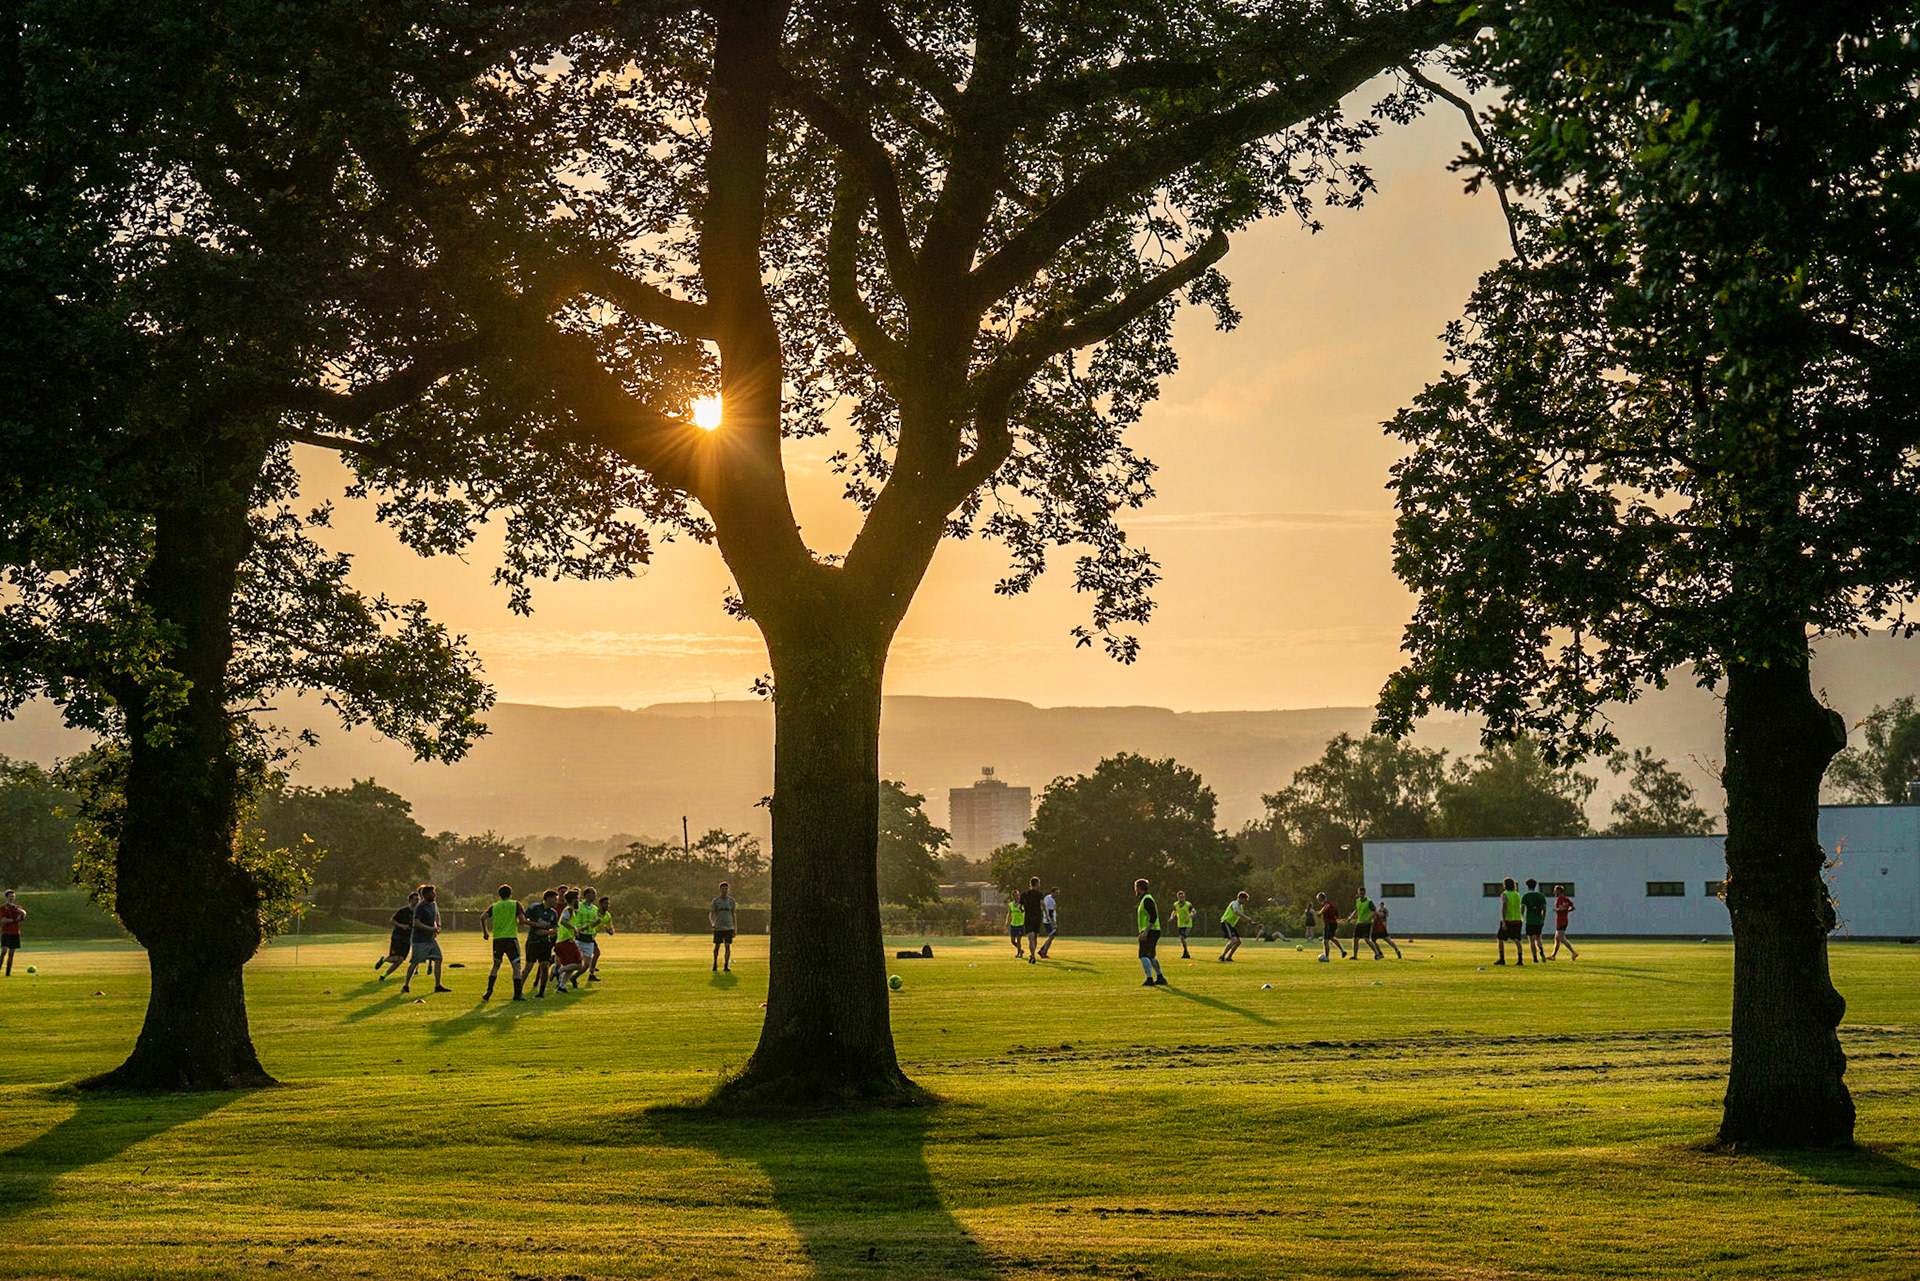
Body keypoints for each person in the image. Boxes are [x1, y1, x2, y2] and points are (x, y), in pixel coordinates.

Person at [481, 884, 526, 1002]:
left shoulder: (495, 906)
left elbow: (483, 917)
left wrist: (485, 932)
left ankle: (489, 990)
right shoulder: (515, 904)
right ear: (511, 894)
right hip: (511, 938)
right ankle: (517, 994)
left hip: (498, 939)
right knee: (516, 967)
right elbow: (522, 921)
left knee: (496, 965)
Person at [403, 884, 451, 994]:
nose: (434, 895)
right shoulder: (420, 907)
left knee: (438, 959)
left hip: (430, 939)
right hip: (419, 940)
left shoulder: (433, 904)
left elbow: (437, 915)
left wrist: (438, 926)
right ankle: (406, 985)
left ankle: (437, 985)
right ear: (426, 895)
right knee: (415, 962)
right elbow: (416, 923)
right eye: (432, 893)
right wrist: (430, 929)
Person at [524, 889, 561, 997]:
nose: (556, 901)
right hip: (533, 941)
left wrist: (547, 932)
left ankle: (541, 992)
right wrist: (536, 924)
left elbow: (556, 928)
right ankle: (518, 991)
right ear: (548, 898)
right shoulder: (535, 907)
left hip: (545, 943)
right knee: (528, 967)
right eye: (555, 899)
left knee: (544, 967)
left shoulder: (553, 913)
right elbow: (523, 920)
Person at [376, 892, 418, 980]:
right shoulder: (403, 911)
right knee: (395, 958)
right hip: (398, 937)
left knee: (400, 960)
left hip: (408, 939)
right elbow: (392, 921)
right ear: (410, 900)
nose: (418, 901)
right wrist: (402, 926)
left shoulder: (419, 913)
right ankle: (383, 959)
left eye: (418, 899)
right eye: (416, 899)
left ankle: (383, 976)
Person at [1134, 878, 1167, 986]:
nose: (1135, 890)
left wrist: (1145, 932)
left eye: (1136, 888)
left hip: (1150, 931)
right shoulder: (1146, 898)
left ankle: (1149, 978)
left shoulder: (1147, 899)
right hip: (1153, 930)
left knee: (1143, 954)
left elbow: (1153, 916)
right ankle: (1160, 977)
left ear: (1139, 888)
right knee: (1151, 955)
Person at [552, 890, 587, 992]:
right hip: (566, 941)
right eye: (578, 899)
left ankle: (561, 986)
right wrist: (574, 928)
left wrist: (579, 929)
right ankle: (558, 970)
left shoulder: (571, 911)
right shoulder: (569, 910)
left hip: (562, 941)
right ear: (573, 900)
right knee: (579, 965)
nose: (579, 901)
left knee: (570, 966)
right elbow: (563, 921)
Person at [1218, 891, 1260, 962]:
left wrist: (1251, 922)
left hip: (1230, 925)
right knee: (1234, 940)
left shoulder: (1240, 907)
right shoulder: (1235, 903)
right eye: (1245, 899)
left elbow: (1241, 917)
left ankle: (1229, 957)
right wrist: (1247, 918)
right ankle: (1222, 956)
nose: (1245, 902)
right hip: (1226, 922)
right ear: (1240, 898)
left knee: (1238, 942)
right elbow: (1235, 911)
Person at [573, 887, 603, 982]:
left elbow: (592, 925)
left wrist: (596, 923)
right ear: (586, 895)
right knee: (573, 962)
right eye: (593, 893)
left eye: (595, 893)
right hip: (578, 936)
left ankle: (573, 977)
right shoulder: (579, 905)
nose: (595, 896)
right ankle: (560, 975)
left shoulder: (595, 908)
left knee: (586, 965)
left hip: (589, 938)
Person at [1495, 876, 1526, 966]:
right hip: (1517, 919)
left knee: (1500, 939)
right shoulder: (1517, 894)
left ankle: (1502, 959)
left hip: (1509, 919)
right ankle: (1520, 960)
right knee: (1517, 940)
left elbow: (1504, 907)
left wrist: (1504, 921)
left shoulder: (1505, 894)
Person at [709, 881, 737, 972]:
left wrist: (735, 927)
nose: (724, 891)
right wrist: (713, 923)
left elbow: (733, 914)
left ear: (728, 890)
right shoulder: (716, 901)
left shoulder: (731, 901)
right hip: (718, 927)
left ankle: (726, 965)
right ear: (719, 890)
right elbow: (711, 914)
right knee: (717, 946)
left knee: (727, 946)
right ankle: (715, 962)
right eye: (723, 889)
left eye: (726, 889)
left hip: (729, 927)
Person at [1348, 888, 1383, 960]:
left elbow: (1374, 912)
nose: (1361, 895)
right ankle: (1355, 956)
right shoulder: (1357, 901)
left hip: (1367, 924)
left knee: (1367, 939)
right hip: (1359, 923)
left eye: (1362, 894)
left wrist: (1368, 920)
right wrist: (1350, 917)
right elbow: (1356, 910)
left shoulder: (1369, 902)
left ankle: (1377, 954)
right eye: (1360, 894)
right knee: (1355, 939)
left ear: (1365, 893)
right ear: (1358, 893)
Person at [1521, 878, 1550, 962]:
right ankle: (1541, 951)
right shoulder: (1541, 896)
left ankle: (1535, 957)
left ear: (1527, 886)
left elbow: (1522, 908)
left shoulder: (1525, 896)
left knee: (1531, 940)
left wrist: (1521, 917)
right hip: (1538, 920)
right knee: (1538, 938)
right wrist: (1543, 919)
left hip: (1530, 921)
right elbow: (1544, 909)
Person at [1019, 877, 1045, 964]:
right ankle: (1032, 955)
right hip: (1037, 917)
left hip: (1028, 917)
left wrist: (1023, 910)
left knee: (1030, 938)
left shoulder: (1025, 894)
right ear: (1037, 884)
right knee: (1035, 937)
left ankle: (1032, 955)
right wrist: (1046, 915)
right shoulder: (1039, 894)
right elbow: (1042, 905)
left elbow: (1020, 907)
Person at [1550, 884, 1579, 960]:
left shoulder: (1560, 899)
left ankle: (1573, 952)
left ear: (1559, 891)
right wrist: (1567, 911)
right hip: (1564, 920)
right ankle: (1553, 955)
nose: (1554, 892)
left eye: (1555, 891)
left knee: (1562, 939)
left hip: (1561, 921)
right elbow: (1573, 907)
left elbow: (1561, 908)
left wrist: (1556, 909)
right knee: (1556, 938)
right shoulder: (1566, 899)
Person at [588, 897, 615, 981]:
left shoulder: (607, 916)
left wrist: (610, 931)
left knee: (596, 953)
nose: (607, 905)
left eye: (608, 904)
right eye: (605, 903)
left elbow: (611, 929)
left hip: (591, 936)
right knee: (595, 953)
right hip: (586, 934)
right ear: (600, 904)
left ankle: (591, 972)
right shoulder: (594, 912)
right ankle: (591, 970)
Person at [1315, 892, 1345, 962]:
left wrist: (1320, 913)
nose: (1318, 901)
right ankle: (1342, 951)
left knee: (1325, 941)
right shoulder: (1331, 904)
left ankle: (1327, 957)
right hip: (1333, 923)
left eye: (1318, 899)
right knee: (1331, 938)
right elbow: (1336, 914)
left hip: (1329, 924)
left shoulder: (1326, 903)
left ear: (1321, 898)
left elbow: (1326, 906)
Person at [1, 890, 24, 975]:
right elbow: (3, 920)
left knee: (11, 954)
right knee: (3, 951)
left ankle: (8, 972)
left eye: (13, 896)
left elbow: (23, 913)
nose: (12, 898)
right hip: (6, 932)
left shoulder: (17, 907)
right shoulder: (2, 908)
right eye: (10, 896)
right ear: (6, 897)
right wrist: (15, 920)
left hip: (15, 933)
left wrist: (14, 908)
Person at [1172, 890, 1196, 958]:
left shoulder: (1188, 904)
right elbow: (1174, 911)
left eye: (1183, 897)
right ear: (1178, 897)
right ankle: (1186, 952)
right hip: (1180, 924)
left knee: (1182, 938)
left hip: (1188, 925)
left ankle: (1186, 952)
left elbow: (1194, 912)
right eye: (1180, 897)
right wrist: (1171, 917)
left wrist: (1189, 917)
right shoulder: (1175, 904)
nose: (1181, 898)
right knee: (1182, 939)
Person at [1037, 886, 1059, 958]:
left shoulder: (1047, 897)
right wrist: (1054, 923)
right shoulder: (1051, 900)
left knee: (1051, 937)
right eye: (1056, 893)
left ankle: (1043, 950)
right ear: (1052, 892)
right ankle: (1043, 951)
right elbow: (1050, 912)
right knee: (1051, 936)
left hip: (1046, 920)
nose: (1057, 894)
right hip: (1049, 921)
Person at [1007, 893, 1027, 958]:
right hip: (1013, 924)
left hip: (1020, 924)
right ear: (1012, 896)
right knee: (1012, 941)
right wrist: (1007, 921)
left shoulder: (1022, 904)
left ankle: (1019, 953)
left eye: (1018, 895)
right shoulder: (1011, 905)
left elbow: (1025, 912)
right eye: (1015, 896)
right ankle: (1021, 950)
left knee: (1018, 940)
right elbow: (1009, 913)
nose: (1017, 897)